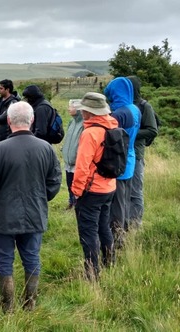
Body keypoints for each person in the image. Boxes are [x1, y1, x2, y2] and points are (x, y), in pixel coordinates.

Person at [0, 101, 61, 313]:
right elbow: (54, 183)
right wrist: (40, 199)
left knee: (5, 260)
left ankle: (7, 306)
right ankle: (29, 303)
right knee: (32, 257)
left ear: (8, 121)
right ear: (31, 121)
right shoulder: (46, 149)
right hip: (35, 214)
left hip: (3, 216)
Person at [71, 92, 118, 281]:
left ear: (90, 112)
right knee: (104, 227)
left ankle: (92, 274)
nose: (82, 113)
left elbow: (82, 166)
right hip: (109, 187)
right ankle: (109, 262)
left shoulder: (90, 133)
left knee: (88, 232)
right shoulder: (112, 126)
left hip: (92, 190)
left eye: (84, 110)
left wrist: (76, 191)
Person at [104, 77, 140, 249]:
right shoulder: (134, 109)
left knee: (117, 204)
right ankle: (124, 231)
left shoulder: (119, 113)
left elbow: (108, 135)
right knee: (125, 200)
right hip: (130, 158)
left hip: (119, 161)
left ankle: (117, 239)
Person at [127, 76, 158, 230]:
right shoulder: (123, 104)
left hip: (137, 154)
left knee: (135, 191)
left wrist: (130, 133)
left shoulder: (145, 106)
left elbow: (152, 130)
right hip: (121, 154)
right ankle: (123, 222)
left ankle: (135, 224)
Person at [61, 99, 84, 210]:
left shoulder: (84, 124)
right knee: (69, 183)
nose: (68, 109)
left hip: (77, 161)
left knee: (77, 185)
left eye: (70, 107)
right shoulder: (71, 121)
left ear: (78, 109)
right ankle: (71, 202)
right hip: (68, 161)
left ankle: (77, 204)